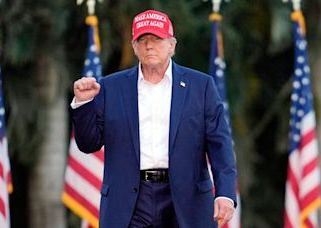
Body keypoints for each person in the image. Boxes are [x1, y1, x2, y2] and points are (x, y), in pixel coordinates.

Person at [71, 9, 237, 228]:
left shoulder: (201, 86)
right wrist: (82, 103)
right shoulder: (111, 87)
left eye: (156, 39)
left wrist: (225, 193)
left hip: (186, 199)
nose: (149, 45)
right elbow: (88, 144)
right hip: (129, 201)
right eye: (142, 39)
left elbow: (220, 144)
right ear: (134, 47)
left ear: (172, 45)